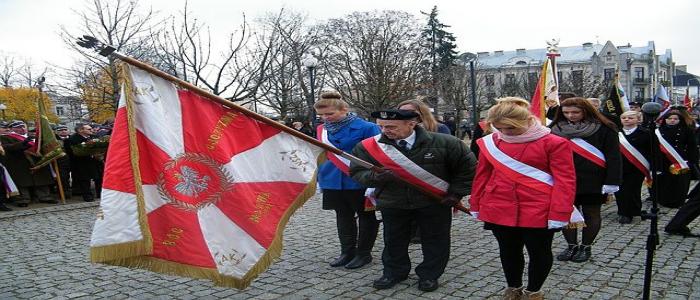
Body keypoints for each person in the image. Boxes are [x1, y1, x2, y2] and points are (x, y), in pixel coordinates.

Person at [350, 109, 476, 292]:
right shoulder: (368, 146)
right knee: (393, 240)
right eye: (381, 126)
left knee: (435, 240)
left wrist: (456, 194)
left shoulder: (445, 143)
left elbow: (467, 168)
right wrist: (377, 177)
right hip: (393, 201)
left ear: (412, 123)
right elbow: (356, 172)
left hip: (434, 202)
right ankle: (394, 272)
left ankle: (429, 275)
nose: (385, 130)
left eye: (391, 126)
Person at [470, 97, 575, 299]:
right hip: (499, 205)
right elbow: (482, 174)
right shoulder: (492, 142)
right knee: (508, 251)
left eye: (510, 128)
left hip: (540, 207)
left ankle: (534, 291)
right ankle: (513, 287)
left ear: (527, 121)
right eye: (499, 128)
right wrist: (476, 202)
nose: (504, 133)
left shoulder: (554, 143)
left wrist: (560, 212)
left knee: (539, 252)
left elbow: (565, 181)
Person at [549, 97, 622, 263]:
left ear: (586, 110)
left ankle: (586, 246)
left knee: (591, 214)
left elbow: (614, 156)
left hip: (594, 179)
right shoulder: (554, 129)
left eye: (575, 112)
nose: (570, 116)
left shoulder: (605, 128)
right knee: (567, 213)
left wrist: (612, 181)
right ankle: (571, 245)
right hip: (564, 180)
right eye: (566, 112)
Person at [314, 90, 380, 270]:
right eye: (321, 115)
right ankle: (347, 251)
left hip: (359, 180)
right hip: (332, 179)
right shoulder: (322, 130)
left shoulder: (367, 127)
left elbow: (378, 154)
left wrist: (374, 181)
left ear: (344, 109)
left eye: (330, 114)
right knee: (342, 215)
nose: (325, 118)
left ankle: (363, 254)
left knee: (366, 216)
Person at [0, 121, 56, 207]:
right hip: (18, 162)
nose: (22, 129)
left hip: (37, 161)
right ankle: (23, 199)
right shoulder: (5, 137)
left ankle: (44, 196)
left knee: (41, 179)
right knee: (22, 182)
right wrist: (23, 143)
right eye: (18, 127)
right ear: (12, 129)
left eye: (23, 127)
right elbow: (8, 147)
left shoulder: (32, 136)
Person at [651, 111, 698, 208]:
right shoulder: (658, 131)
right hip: (663, 160)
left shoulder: (687, 130)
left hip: (681, 160)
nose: (672, 120)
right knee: (664, 182)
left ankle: (678, 201)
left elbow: (692, 147)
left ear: (680, 120)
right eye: (670, 119)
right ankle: (664, 200)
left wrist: (692, 161)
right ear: (665, 120)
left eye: (675, 119)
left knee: (680, 182)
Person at [615, 111, 651, 224]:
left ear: (638, 119)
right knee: (619, 191)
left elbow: (653, 151)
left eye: (630, 118)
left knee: (633, 190)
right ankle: (622, 212)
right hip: (619, 167)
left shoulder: (646, 133)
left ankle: (634, 212)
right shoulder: (616, 133)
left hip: (636, 167)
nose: (626, 120)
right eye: (624, 118)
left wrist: (654, 167)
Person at [63, 123, 104, 202]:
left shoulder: (94, 137)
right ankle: (87, 196)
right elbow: (71, 153)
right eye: (89, 129)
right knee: (85, 180)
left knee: (99, 178)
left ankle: (100, 194)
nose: (92, 130)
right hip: (81, 163)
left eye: (91, 128)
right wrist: (88, 153)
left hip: (95, 162)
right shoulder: (72, 140)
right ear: (80, 130)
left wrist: (99, 154)